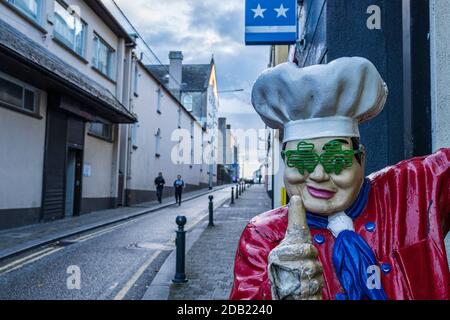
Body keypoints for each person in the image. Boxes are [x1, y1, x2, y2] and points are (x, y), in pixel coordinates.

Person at [230, 57, 450, 300]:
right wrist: (273, 292)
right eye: (301, 160)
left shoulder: (411, 189)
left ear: (361, 158)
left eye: (336, 159)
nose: (318, 175)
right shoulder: (264, 235)